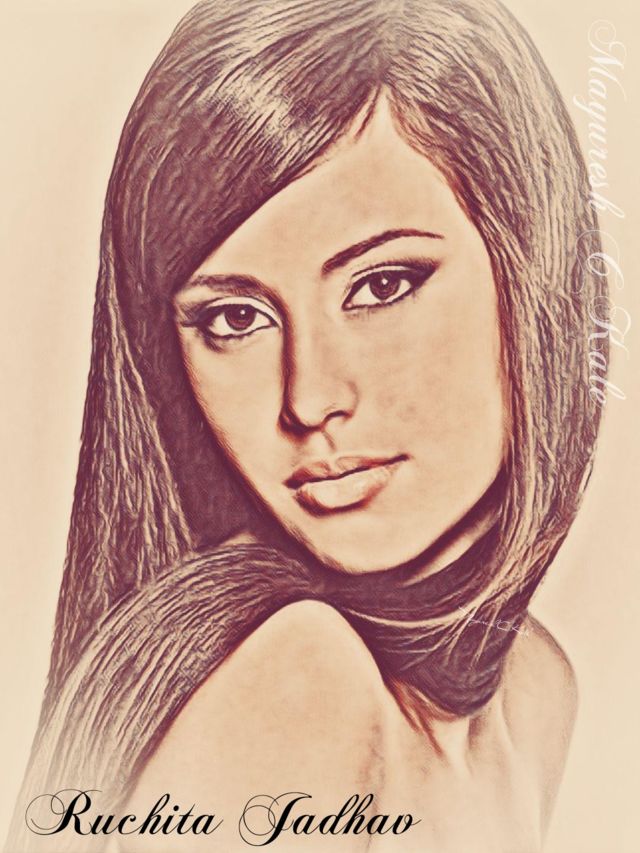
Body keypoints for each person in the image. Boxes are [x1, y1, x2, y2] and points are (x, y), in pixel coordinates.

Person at [7, 0, 607, 850]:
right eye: (235, 318)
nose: (309, 398)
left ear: (531, 267)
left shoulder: (535, 686)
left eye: (382, 285)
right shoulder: (296, 679)